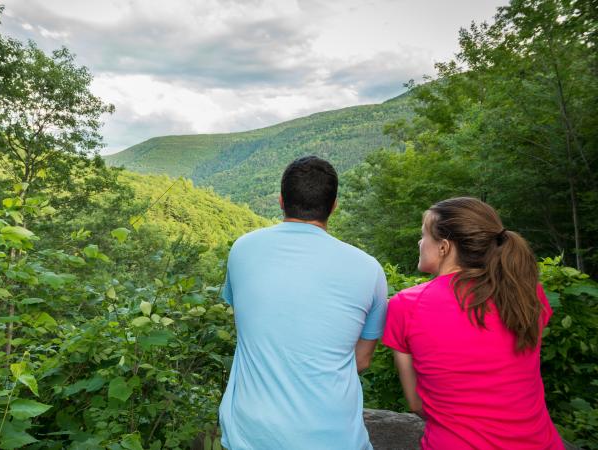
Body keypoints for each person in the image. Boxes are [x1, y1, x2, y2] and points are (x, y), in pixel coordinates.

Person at [218, 156, 388, 450]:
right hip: (336, 439)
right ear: (334, 206)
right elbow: (361, 360)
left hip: (250, 436)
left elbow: (249, 323)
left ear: (281, 201)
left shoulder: (243, 249)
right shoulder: (369, 269)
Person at [383, 197, 564, 449]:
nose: (420, 242)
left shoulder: (406, 305)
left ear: (444, 247)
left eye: (424, 235)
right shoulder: (526, 294)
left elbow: (416, 403)